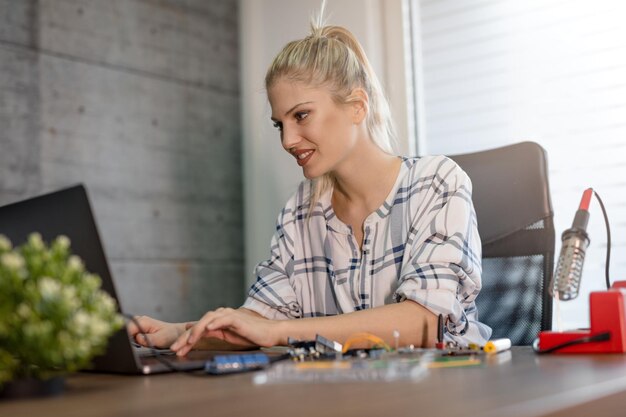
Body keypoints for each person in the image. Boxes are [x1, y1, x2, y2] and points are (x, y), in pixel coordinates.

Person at [128, 13, 492, 356]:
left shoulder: (437, 182)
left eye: (301, 115)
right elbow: (261, 319)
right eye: (279, 124)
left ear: (357, 106)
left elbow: (425, 323)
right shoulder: (300, 212)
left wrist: (278, 332)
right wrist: (183, 333)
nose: (287, 140)